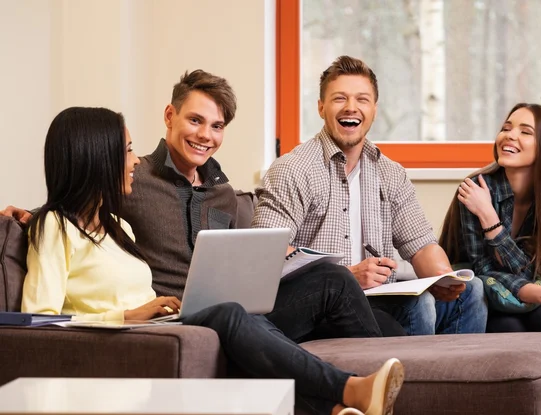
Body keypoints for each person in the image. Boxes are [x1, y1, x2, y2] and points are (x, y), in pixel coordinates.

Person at [20, 106, 404, 415]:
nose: (134, 160)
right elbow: (35, 323)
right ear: (96, 158)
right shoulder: (54, 227)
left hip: (168, 323)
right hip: (135, 338)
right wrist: (126, 317)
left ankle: (341, 402)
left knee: (324, 281)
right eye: (126, 150)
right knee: (230, 313)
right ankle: (350, 388)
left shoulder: (119, 227)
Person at [1, 69, 402, 342]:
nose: (205, 135)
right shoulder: (133, 179)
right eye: (195, 121)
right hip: (185, 319)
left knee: (386, 316)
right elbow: (78, 204)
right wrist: (30, 216)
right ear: (169, 116)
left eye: (217, 126)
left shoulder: (224, 193)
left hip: (235, 309)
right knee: (338, 288)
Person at [251, 55, 487, 336]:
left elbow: (422, 245)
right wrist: (348, 276)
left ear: (374, 109)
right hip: (326, 304)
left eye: (362, 99)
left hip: (381, 297)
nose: (351, 107)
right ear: (321, 107)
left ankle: (456, 378)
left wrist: (445, 278)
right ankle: (417, 379)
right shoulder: (293, 169)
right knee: (419, 305)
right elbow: (265, 253)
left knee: (473, 291)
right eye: (340, 98)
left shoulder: (390, 173)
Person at [438, 103, 541, 332]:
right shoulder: (474, 190)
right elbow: (482, 270)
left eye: (525, 132)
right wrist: (488, 215)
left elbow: (528, 270)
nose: (510, 136)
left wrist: (492, 223)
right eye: (507, 128)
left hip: (518, 292)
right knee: (511, 328)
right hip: (472, 299)